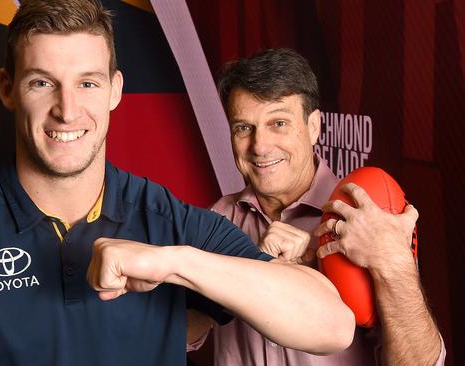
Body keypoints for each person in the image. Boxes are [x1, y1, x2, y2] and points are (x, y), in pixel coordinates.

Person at [0, 3, 354, 366]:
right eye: (42, 82)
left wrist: (171, 262)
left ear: (115, 91)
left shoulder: (168, 223)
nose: (67, 110)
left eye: (88, 83)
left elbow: (330, 326)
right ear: (7, 88)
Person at [187, 48, 445, 365]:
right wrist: (249, 266)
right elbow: (180, 335)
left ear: (313, 127)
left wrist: (392, 264)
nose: (260, 146)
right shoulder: (217, 219)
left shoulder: (366, 219)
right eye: (243, 128)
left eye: (278, 123)